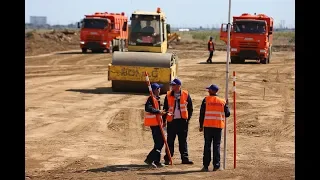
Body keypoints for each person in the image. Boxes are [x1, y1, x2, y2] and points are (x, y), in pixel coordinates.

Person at [199, 84, 231, 172]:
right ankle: (216, 166)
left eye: (209, 90)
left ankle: (205, 166)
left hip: (208, 126)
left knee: (207, 146)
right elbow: (227, 114)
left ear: (213, 91)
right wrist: (227, 105)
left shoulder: (206, 100)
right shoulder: (222, 101)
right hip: (218, 126)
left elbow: (202, 113)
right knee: (216, 146)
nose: (208, 91)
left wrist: (201, 125)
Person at [163, 78, 194, 165]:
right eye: (172, 85)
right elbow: (165, 108)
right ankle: (168, 158)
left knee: (183, 141)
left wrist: (188, 119)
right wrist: (164, 120)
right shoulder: (168, 95)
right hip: (171, 121)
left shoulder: (185, 94)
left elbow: (190, 108)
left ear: (179, 86)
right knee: (170, 141)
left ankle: (185, 158)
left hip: (182, 122)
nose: (172, 86)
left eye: (174, 85)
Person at [144, 83, 167, 168]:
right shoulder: (151, 98)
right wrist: (158, 112)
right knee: (159, 143)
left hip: (158, 123)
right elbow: (148, 108)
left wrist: (162, 112)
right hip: (154, 124)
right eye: (158, 89)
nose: (160, 90)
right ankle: (149, 159)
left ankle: (156, 161)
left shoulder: (156, 99)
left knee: (160, 143)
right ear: (155, 90)